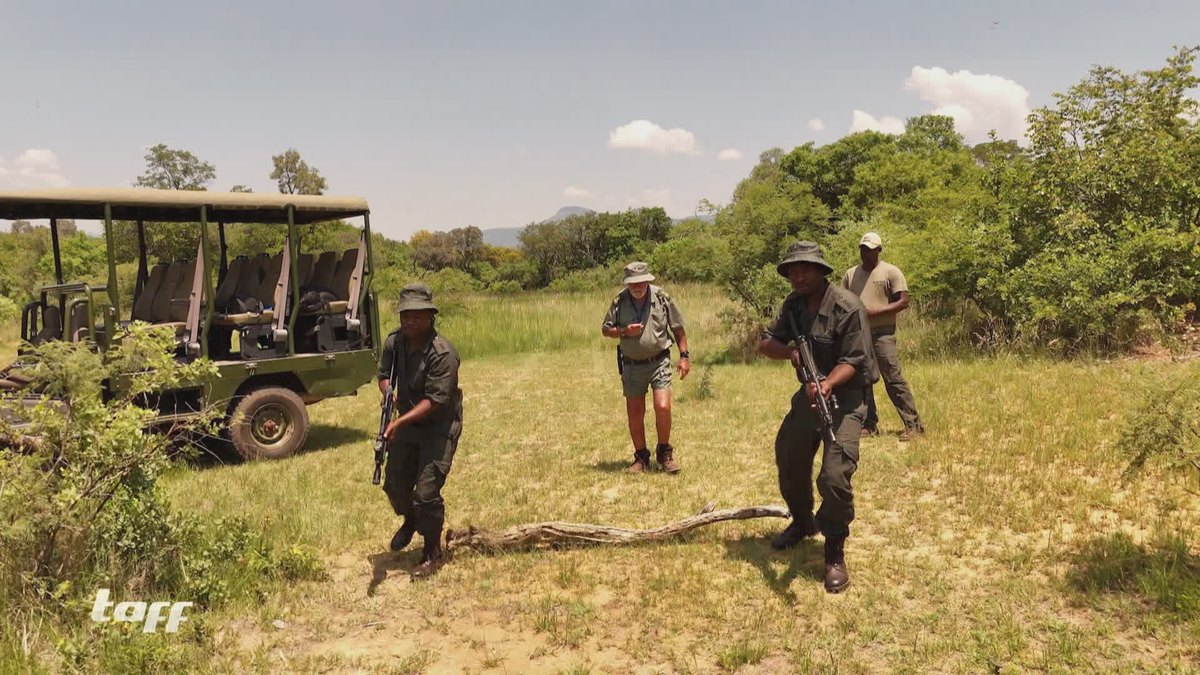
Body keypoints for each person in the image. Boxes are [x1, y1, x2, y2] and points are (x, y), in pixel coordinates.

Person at [759, 241, 877, 593]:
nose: (798, 276)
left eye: (805, 269)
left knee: (835, 476)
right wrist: (793, 353)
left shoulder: (848, 307)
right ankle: (801, 521)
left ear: (821, 271)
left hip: (847, 398)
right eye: (792, 270)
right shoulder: (793, 306)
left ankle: (834, 550)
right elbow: (765, 343)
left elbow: (855, 361)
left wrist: (826, 384)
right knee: (789, 455)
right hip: (808, 396)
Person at [377, 283, 463, 579]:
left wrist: (398, 423)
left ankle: (432, 552)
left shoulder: (443, 353)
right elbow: (383, 375)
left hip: (438, 426)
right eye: (405, 316)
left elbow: (435, 401)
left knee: (426, 493)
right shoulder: (394, 343)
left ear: (430, 316)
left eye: (417, 316)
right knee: (395, 486)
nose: (409, 322)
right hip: (407, 422)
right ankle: (412, 519)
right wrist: (389, 394)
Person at [601, 262, 690, 473]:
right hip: (632, 365)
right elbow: (606, 330)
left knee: (663, 406)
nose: (637, 287)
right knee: (635, 412)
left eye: (640, 282)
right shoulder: (619, 301)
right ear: (627, 284)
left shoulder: (662, 298)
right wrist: (623, 331)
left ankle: (665, 453)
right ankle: (641, 457)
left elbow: (678, 330)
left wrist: (684, 357)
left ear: (648, 280)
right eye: (632, 283)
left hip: (659, 361)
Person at [841, 232, 925, 441]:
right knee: (863, 380)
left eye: (870, 250)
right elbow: (842, 301)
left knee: (893, 378)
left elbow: (903, 301)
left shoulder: (890, 272)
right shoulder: (850, 275)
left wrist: (876, 311)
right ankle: (869, 425)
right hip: (859, 333)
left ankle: (914, 425)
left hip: (883, 334)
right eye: (863, 249)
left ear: (878, 250)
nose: (866, 253)